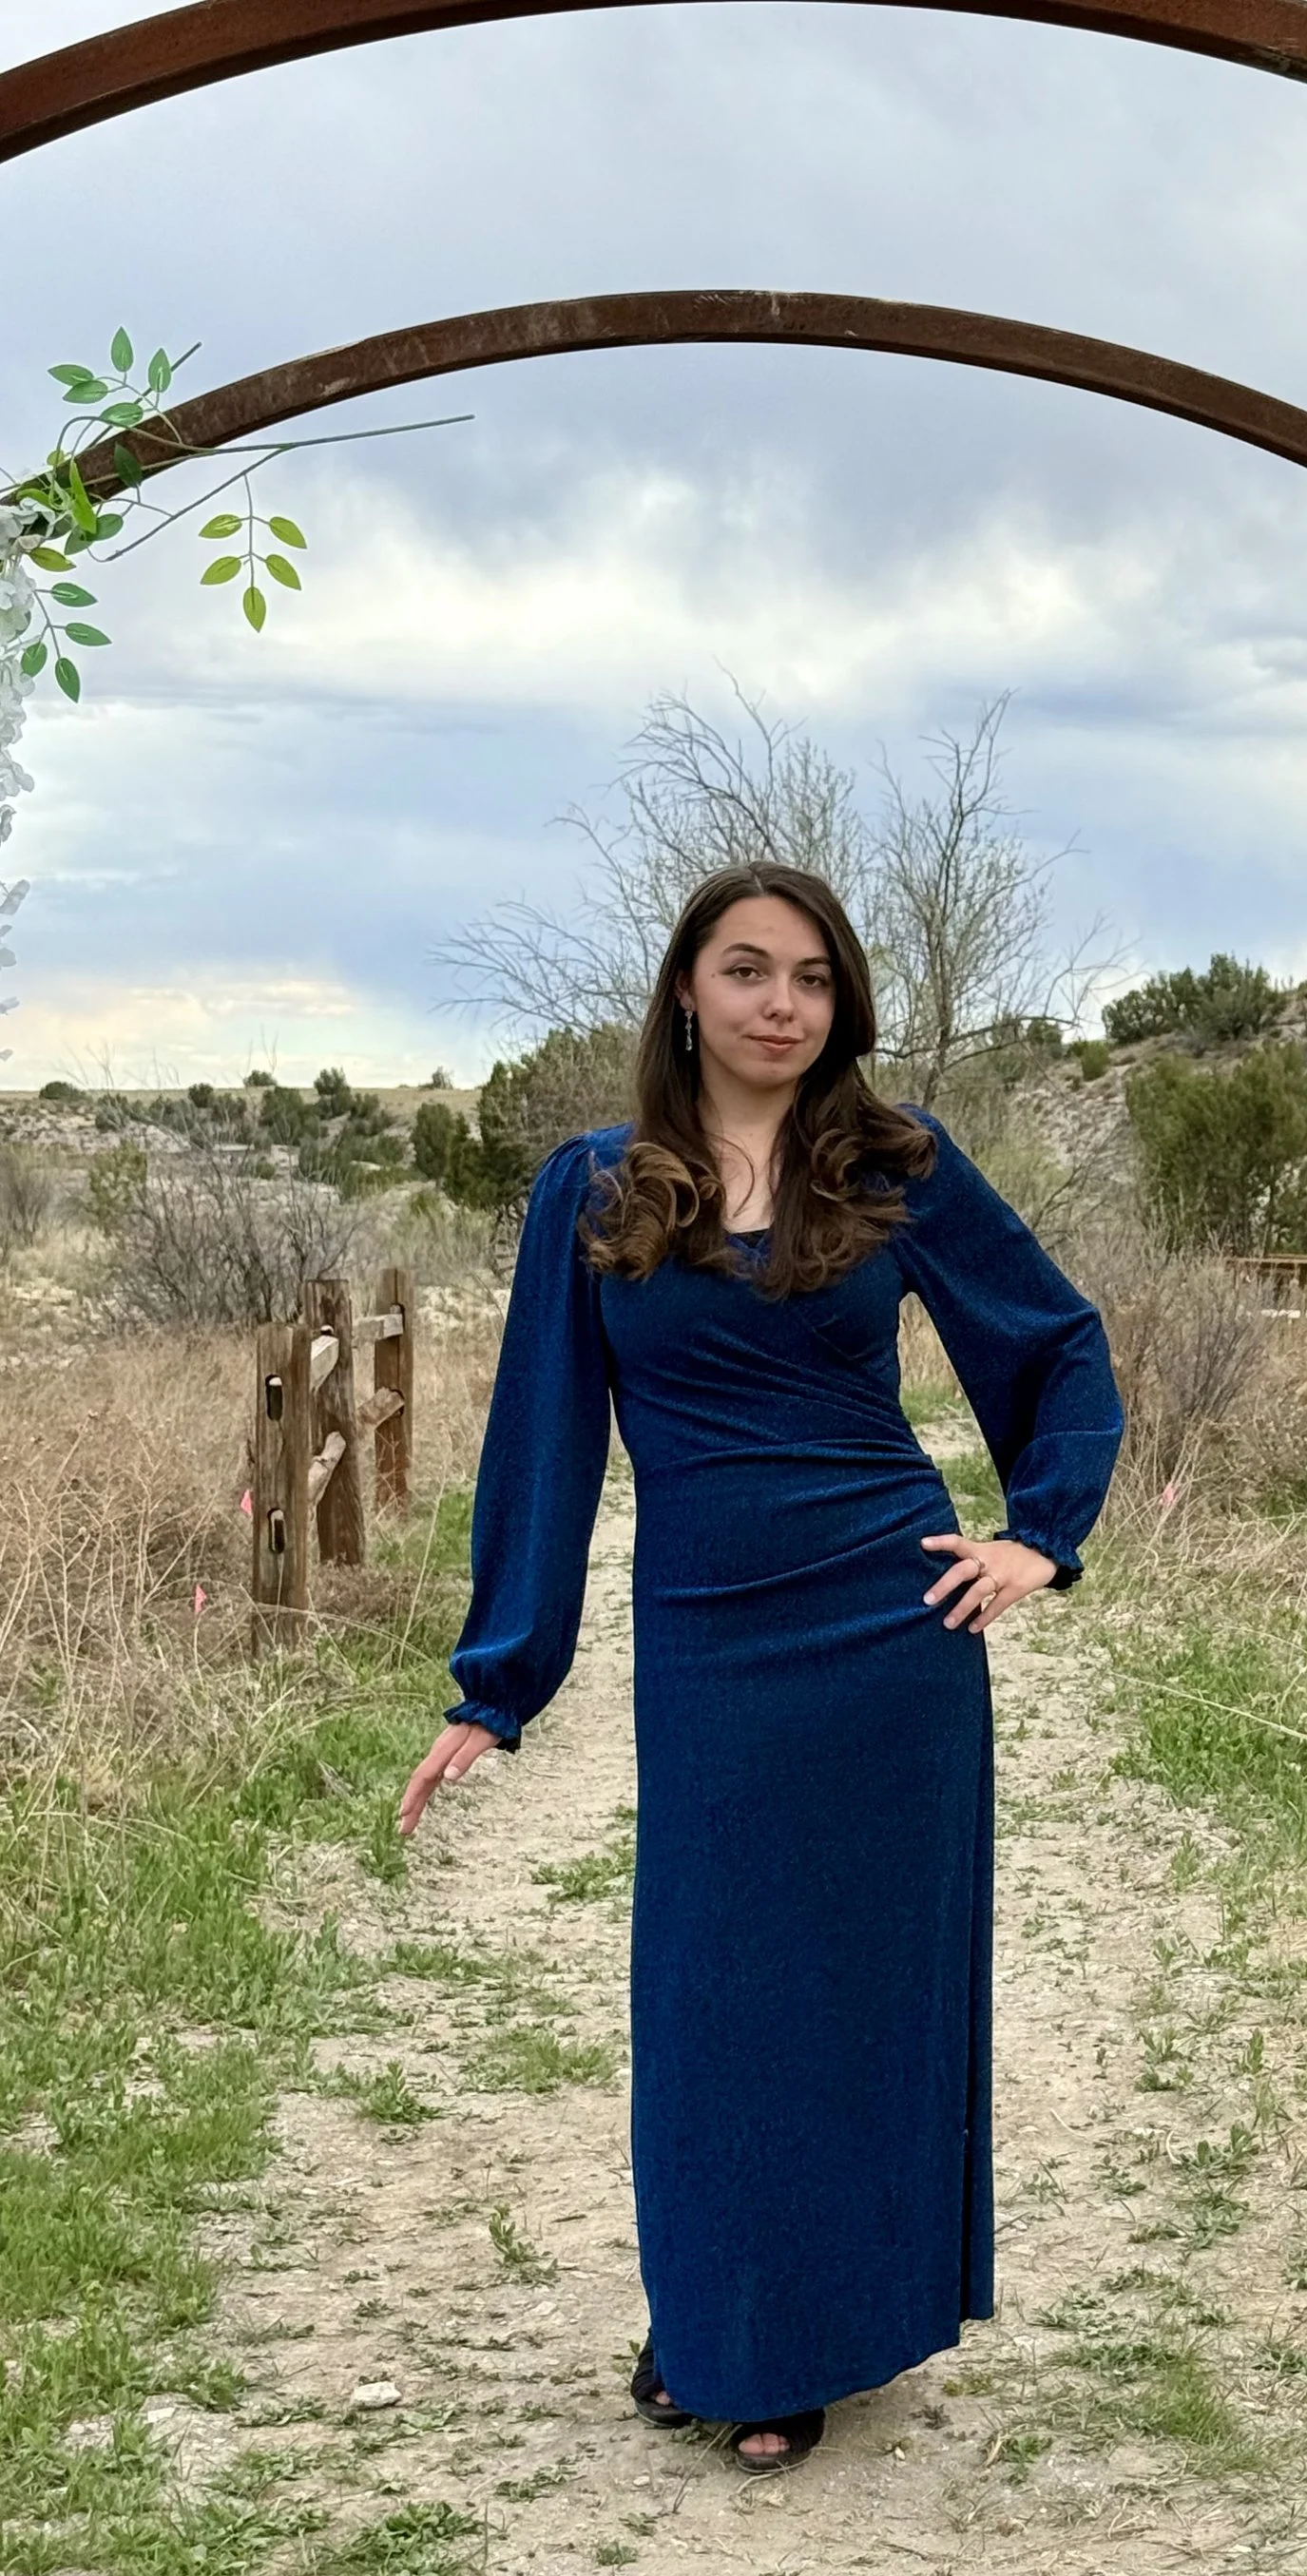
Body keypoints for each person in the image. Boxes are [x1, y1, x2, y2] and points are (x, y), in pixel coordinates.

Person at [398, 862, 1124, 2472]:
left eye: (810, 977)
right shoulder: (593, 1187)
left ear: (839, 1004)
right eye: (747, 971)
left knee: (861, 1996)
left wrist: (1037, 1535)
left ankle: (798, 2344)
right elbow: (544, 1436)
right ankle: (725, 2317)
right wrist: (496, 1684)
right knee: (718, 1998)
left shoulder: (896, 1164)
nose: (780, 1003)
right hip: (714, 1640)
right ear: (686, 992)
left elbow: (1055, 1345)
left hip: (892, 1630)